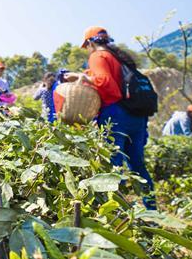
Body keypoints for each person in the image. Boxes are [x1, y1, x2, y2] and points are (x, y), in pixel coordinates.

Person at [67, 27, 156, 209]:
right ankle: (152, 212)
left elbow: (107, 84)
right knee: (138, 165)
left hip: (116, 114)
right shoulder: (119, 57)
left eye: (87, 46)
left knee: (113, 165)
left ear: (91, 43)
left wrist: (81, 77)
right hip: (136, 116)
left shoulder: (98, 56)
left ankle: (117, 213)